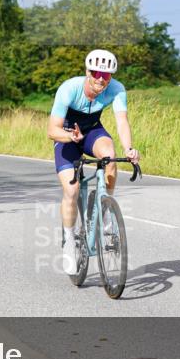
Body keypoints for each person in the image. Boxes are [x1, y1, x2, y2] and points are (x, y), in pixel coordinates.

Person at [47, 49, 140, 275]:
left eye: (106, 75)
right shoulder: (69, 89)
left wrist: (129, 148)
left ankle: (106, 209)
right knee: (72, 191)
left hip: (92, 131)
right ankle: (69, 241)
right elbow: (52, 130)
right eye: (97, 73)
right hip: (66, 135)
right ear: (88, 72)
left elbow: (122, 122)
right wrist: (70, 136)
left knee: (109, 155)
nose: (101, 79)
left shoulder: (116, 89)